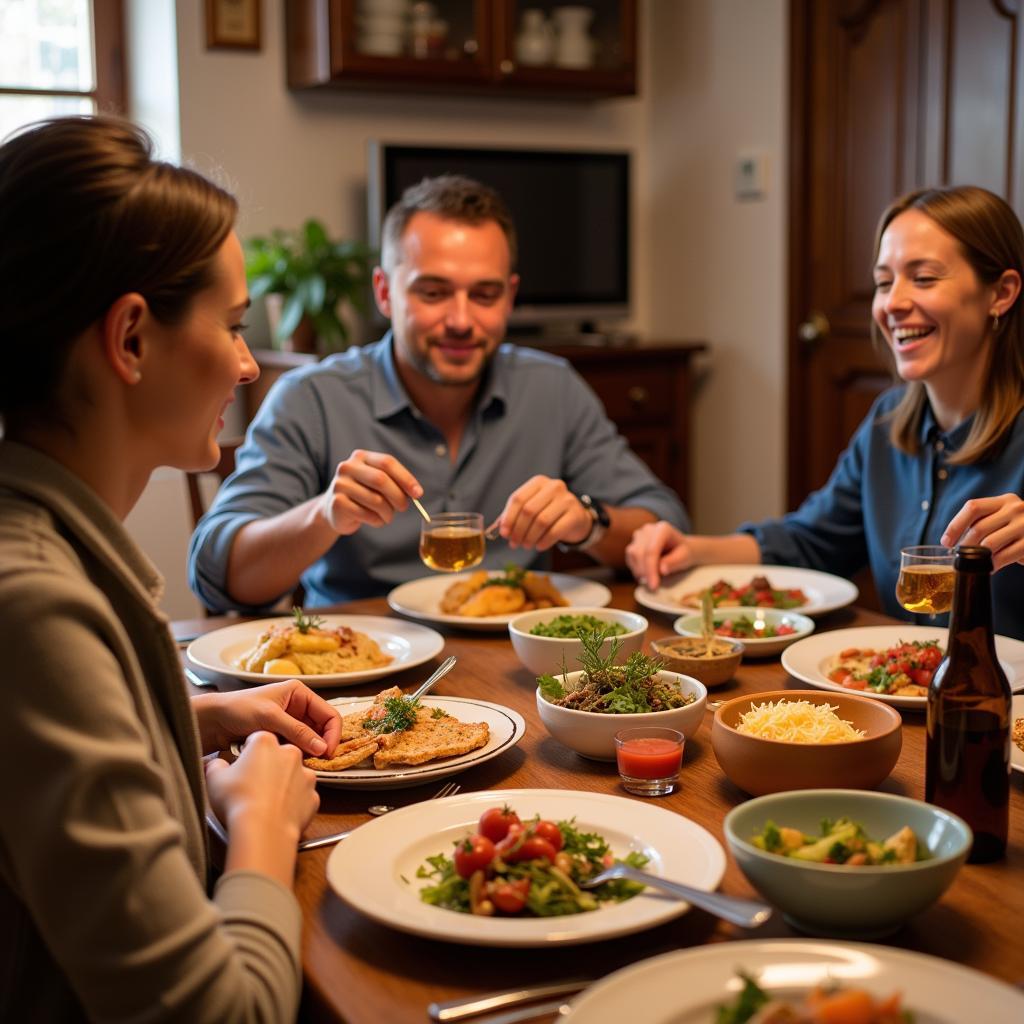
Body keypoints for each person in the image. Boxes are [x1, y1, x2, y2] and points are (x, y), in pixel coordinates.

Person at [0, 115, 343, 1021]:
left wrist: (189, 717)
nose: (243, 363)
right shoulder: (32, 607)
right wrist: (262, 828)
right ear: (131, 340)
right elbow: (219, 1014)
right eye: (232, 325)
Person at [188, 174, 689, 611]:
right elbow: (218, 577)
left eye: (485, 295)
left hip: (520, 668)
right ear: (385, 293)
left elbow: (664, 529)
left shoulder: (552, 387)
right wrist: (324, 514)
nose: (461, 320)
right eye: (433, 292)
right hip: (365, 676)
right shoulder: (312, 397)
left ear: (510, 296)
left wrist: (589, 523)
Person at [626, 184, 1024, 639]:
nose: (892, 303)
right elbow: (811, 540)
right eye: (883, 282)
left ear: (1002, 292)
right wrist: (693, 549)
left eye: (925, 278)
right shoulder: (886, 422)